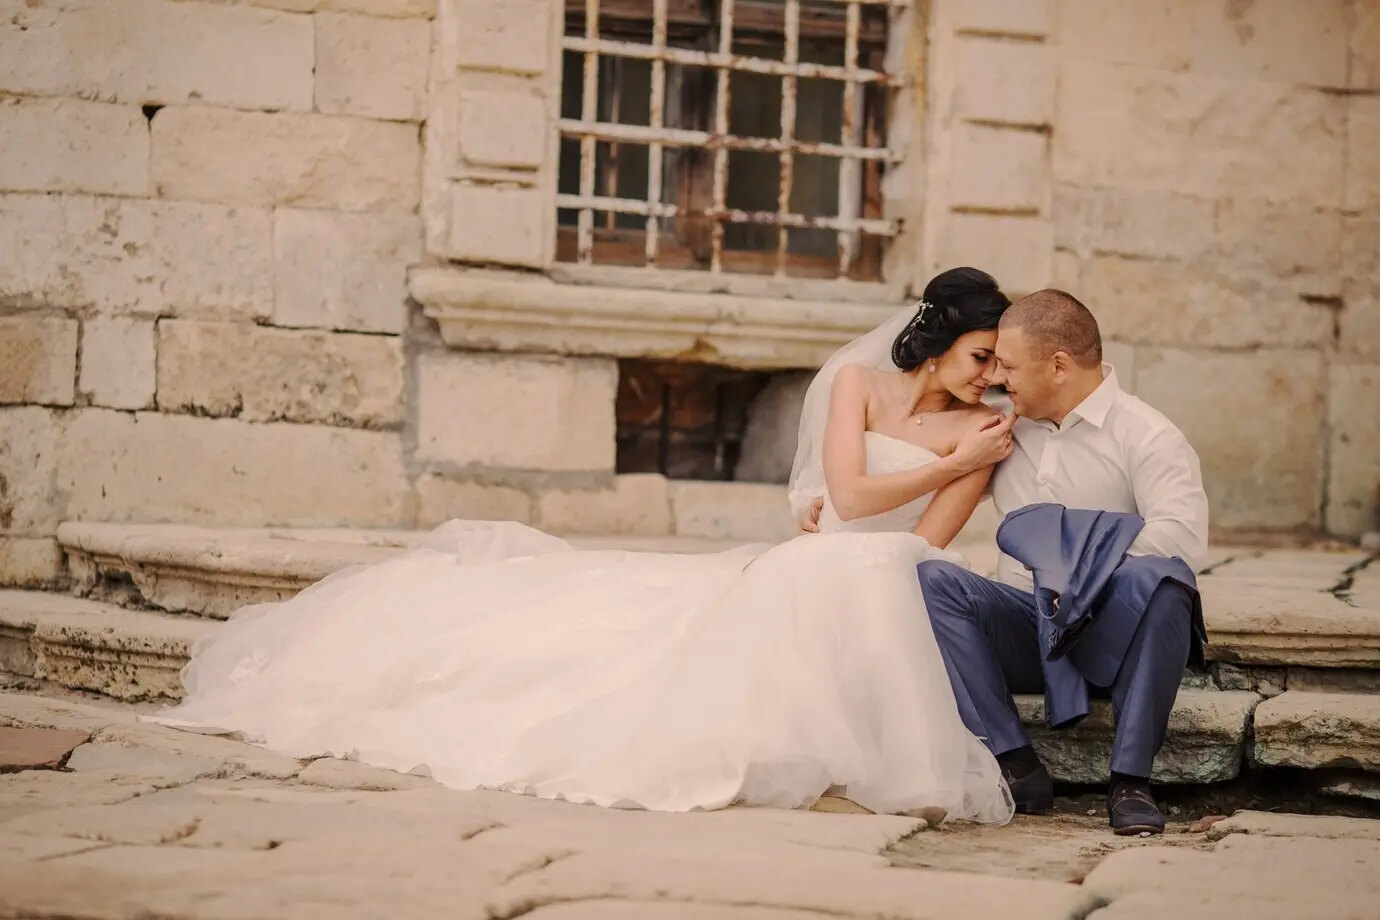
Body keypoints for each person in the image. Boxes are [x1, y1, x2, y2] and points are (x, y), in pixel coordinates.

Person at [147, 268, 1020, 824]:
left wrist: (959, 461)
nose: (987, 378)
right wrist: (917, 475)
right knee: (602, 644)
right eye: (979, 356)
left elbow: (929, 546)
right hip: (812, 555)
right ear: (939, 337)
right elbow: (853, 494)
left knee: (859, 588)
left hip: (869, 571)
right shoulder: (860, 387)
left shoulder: (986, 433)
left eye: (996, 367)